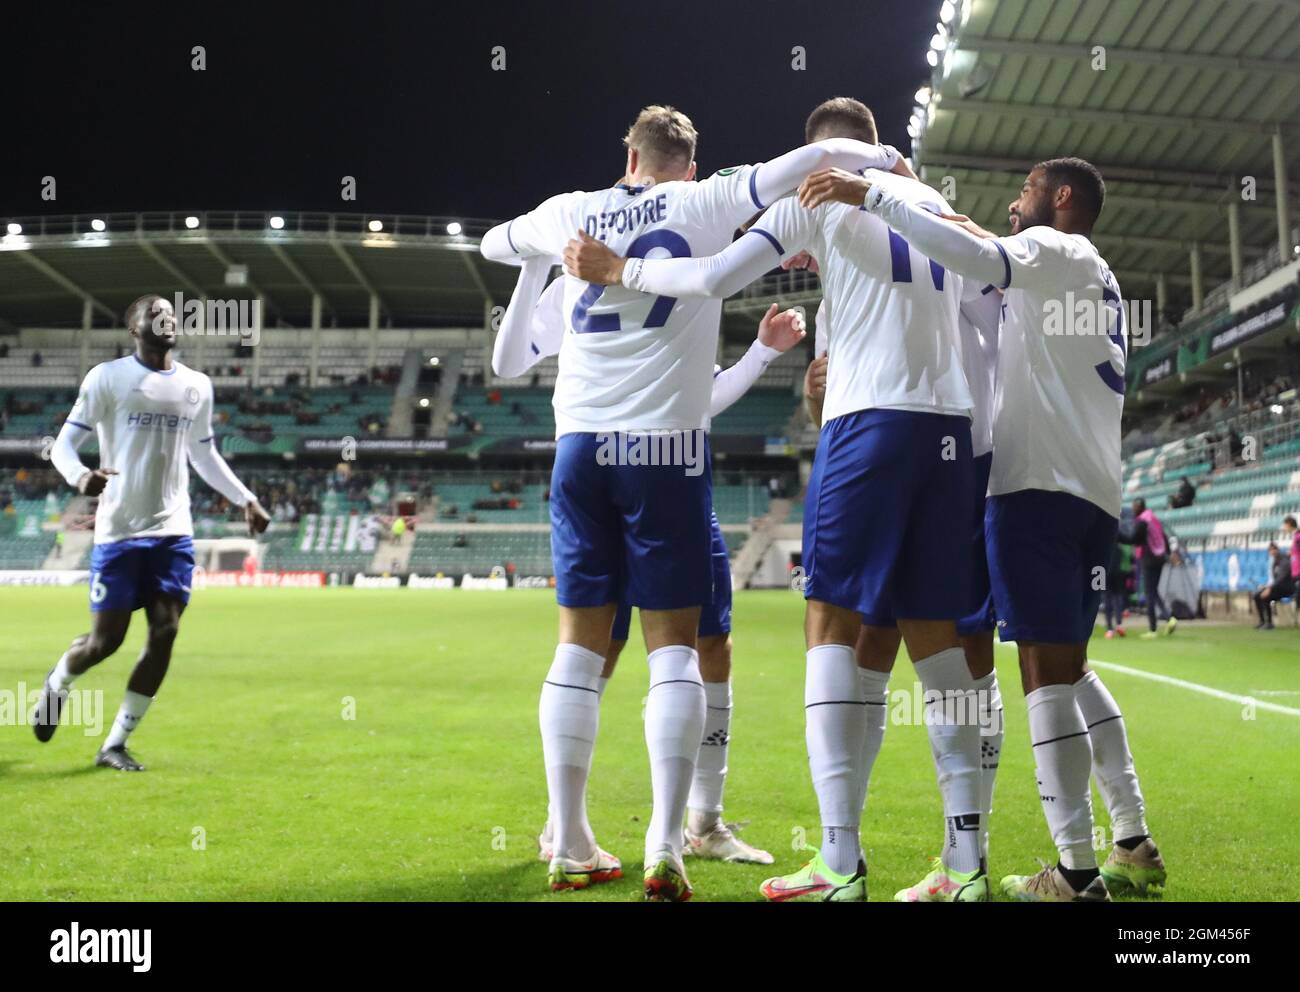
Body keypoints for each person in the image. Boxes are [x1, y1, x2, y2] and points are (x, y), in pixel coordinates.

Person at [565, 96, 995, 903]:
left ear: (814, 152)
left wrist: (619, 270)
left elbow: (716, 277)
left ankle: (838, 862)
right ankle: (965, 865)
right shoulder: (932, 199)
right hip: (950, 434)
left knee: (829, 620)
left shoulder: (818, 191)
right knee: (940, 645)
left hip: (870, 423)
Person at [481, 103, 902, 902]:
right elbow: (815, 159)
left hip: (578, 449)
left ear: (628, 155)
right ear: (692, 163)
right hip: (666, 449)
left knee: (578, 647)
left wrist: (542, 249)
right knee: (675, 651)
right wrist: (882, 165)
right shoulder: (702, 204)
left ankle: (569, 840)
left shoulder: (571, 212)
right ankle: (663, 844)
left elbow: (492, 242)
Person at [804, 156, 1165, 900]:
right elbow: (970, 240)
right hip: (1093, 489)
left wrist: (872, 191)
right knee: (1069, 667)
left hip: (1022, 483)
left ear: (1061, 199)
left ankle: (1069, 870)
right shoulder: (1092, 274)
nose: (1011, 203)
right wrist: (916, 191)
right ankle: (1129, 832)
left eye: (1027, 190)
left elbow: (971, 253)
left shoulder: (1046, 253)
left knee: (1031, 675)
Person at [513, 272, 806, 869]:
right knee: (664, 648)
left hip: (592, 463)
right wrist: (763, 350)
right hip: (665, 469)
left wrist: (528, 254)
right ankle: (634, 830)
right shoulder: (692, 259)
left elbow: (513, 352)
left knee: (672, 645)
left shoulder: (597, 247)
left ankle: (682, 821)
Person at [34, 294, 270, 771]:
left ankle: (115, 744)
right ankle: (58, 683)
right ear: (134, 328)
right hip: (119, 531)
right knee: (105, 643)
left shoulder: (196, 385)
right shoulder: (107, 378)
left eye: (171, 313)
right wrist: (80, 477)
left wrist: (245, 497)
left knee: (165, 629)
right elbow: (63, 447)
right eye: (154, 313)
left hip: (172, 531)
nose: (167, 318)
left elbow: (203, 454)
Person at [1122, 498, 1177, 638]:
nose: (1133, 509)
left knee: (1149, 593)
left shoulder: (1142, 521)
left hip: (1149, 559)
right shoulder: (1153, 518)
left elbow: (1133, 538)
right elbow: (1164, 536)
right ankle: (1169, 617)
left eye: (1134, 507)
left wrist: (1117, 535)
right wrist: (1168, 554)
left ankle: (1153, 629)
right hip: (1160, 557)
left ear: (1139, 507)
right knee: (1153, 591)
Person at [1253, 542, 1294, 630]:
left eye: (1273, 549)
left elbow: (1280, 579)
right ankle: (1262, 621)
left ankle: (1269, 623)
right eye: (1270, 550)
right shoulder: (1274, 561)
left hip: (1286, 588)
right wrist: (1266, 586)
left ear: (1277, 550)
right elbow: (1274, 579)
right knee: (1256, 595)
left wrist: (1269, 588)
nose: (1272, 552)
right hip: (1277, 587)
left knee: (1266, 597)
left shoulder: (1284, 561)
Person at [1102, 539, 1130, 638]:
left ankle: (1110, 629)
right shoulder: (1120, 549)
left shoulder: (1102, 547)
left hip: (1103, 573)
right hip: (1117, 574)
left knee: (1107, 600)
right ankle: (1119, 624)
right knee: (1117, 599)